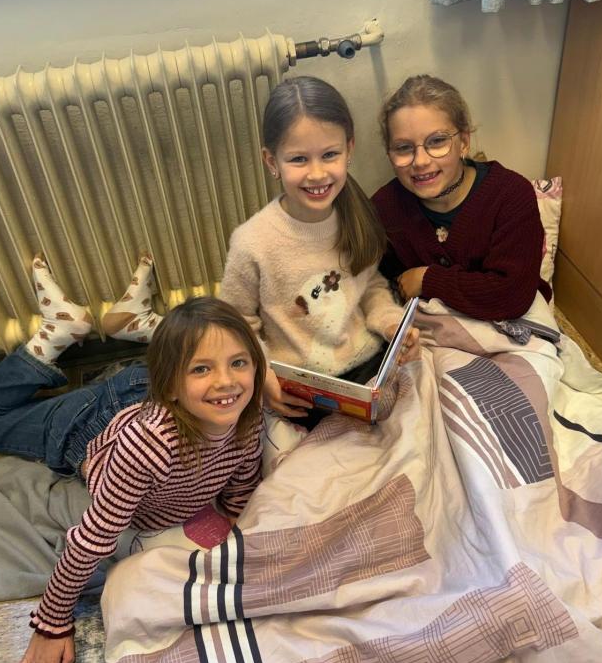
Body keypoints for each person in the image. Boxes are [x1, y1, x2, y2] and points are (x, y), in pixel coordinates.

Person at [0, 260, 265, 663]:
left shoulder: (247, 417)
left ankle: (139, 324)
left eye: (238, 363)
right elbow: (93, 538)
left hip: (145, 388)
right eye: (202, 368)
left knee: (190, 370)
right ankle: (53, 335)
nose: (226, 381)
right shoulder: (147, 449)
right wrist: (51, 623)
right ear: (172, 386)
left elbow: (242, 484)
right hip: (86, 422)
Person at [217, 75, 417, 425]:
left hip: (369, 368)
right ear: (271, 162)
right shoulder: (252, 243)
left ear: (349, 150)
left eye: (329, 155)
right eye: (299, 159)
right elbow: (237, 326)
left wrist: (391, 324)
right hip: (299, 389)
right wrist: (262, 376)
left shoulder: (357, 216)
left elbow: (370, 287)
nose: (317, 173)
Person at [372, 74, 551, 321]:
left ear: (464, 142)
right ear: (389, 154)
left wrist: (427, 279)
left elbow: (512, 294)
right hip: (433, 331)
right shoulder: (384, 208)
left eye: (437, 141)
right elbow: (377, 286)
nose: (421, 161)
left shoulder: (510, 195)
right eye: (403, 148)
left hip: (514, 325)